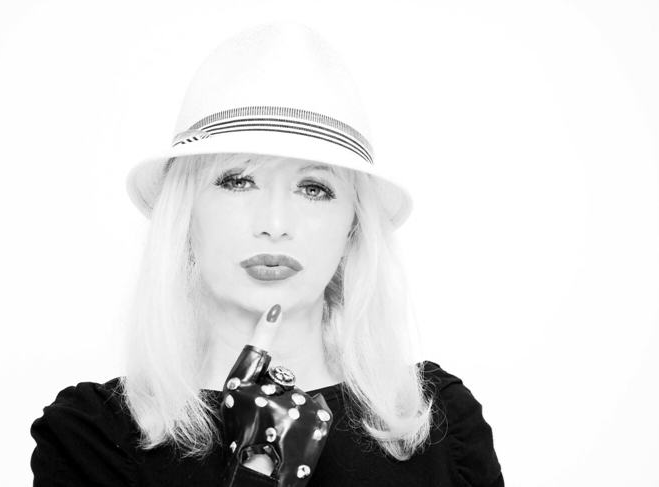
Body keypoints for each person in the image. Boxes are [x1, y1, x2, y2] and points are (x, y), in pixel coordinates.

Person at [30, 22, 503, 486]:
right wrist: (259, 469)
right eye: (238, 180)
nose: (275, 224)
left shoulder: (438, 423)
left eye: (314, 188)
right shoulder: (91, 439)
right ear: (185, 213)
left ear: (354, 227)